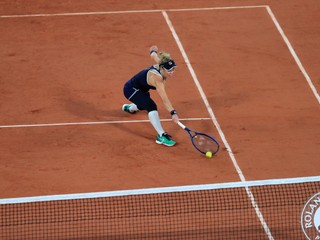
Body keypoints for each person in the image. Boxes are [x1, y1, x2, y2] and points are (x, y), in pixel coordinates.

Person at [122, 45, 179, 147]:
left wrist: (153, 51)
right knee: (151, 106)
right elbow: (164, 99)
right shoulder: (158, 79)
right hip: (131, 90)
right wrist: (173, 113)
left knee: (143, 103)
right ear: (162, 69)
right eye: (169, 71)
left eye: (173, 69)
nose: (172, 73)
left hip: (142, 89)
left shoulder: (162, 65)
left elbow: (154, 56)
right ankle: (161, 136)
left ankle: (130, 108)